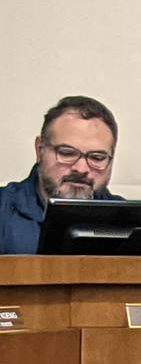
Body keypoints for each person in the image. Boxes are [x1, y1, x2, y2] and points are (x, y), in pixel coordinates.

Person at [0, 96, 123, 253]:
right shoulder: (3, 211)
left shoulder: (130, 223)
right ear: (40, 150)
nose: (81, 168)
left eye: (96, 158)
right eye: (67, 153)